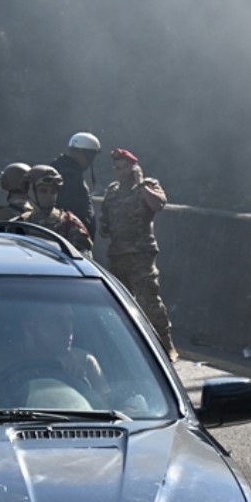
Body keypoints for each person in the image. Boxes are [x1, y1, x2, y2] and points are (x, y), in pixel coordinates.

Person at [99, 148, 176, 359]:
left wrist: (141, 184)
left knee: (149, 303)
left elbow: (158, 204)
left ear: (134, 168)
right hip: (117, 256)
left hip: (141, 256)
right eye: (117, 168)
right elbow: (104, 225)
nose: (120, 172)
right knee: (116, 304)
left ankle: (165, 347)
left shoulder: (148, 186)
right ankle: (121, 350)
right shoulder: (112, 192)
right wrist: (104, 226)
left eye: (124, 167)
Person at [22, 165, 93, 252]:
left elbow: (82, 260)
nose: (49, 196)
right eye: (43, 191)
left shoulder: (69, 225)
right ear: (29, 190)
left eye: (53, 192)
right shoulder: (20, 224)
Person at [53, 131, 101, 238]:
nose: (90, 160)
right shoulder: (69, 176)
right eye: (90, 155)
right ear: (78, 152)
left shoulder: (65, 171)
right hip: (71, 237)